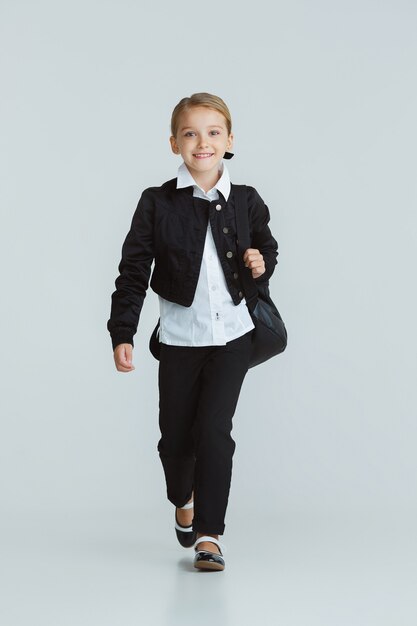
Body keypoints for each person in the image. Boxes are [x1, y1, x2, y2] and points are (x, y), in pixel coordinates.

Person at [107, 92, 278, 571]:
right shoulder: (157, 202)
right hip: (181, 339)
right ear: (174, 143)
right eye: (190, 133)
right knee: (174, 440)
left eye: (213, 132)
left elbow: (267, 250)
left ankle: (209, 534)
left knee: (214, 432)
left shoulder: (246, 200)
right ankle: (182, 499)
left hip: (233, 337)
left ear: (229, 141)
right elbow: (133, 268)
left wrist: (259, 265)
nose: (202, 142)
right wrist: (124, 331)